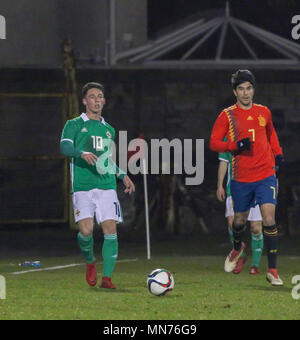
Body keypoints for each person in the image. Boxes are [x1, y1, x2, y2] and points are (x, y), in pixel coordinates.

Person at [210, 70, 285, 286]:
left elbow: (271, 135)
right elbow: (214, 143)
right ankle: (237, 247)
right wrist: (234, 146)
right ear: (235, 91)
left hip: (265, 174)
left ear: (254, 89)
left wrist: (278, 153)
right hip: (242, 178)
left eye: (249, 88)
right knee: (239, 221)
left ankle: (272, 270)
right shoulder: (227, 115)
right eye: (241, 88)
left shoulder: (264, 112)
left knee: (268, 219)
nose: (246, 93)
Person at [60, 82, 135, 289]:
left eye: (100, 96)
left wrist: (122, 174)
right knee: (86, 231)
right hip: (83, 186)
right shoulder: (74, 124)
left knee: (110, 228)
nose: (97, 100)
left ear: (104, 101)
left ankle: (107, 278)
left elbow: (106, 160)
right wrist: (81, 153)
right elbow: (64, 146)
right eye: (92, 96)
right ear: (85, 101)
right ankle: (90, 261)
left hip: (106, 186)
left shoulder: (108, 129)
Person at [217, 149, 263, 275]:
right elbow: (224, 162)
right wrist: (220, 185)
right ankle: (240, 254)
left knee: (256, 228)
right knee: (233, 224)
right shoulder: (229, 136)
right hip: (234, 188)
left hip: (255, 188)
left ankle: (255, 265)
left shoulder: (259, 134)